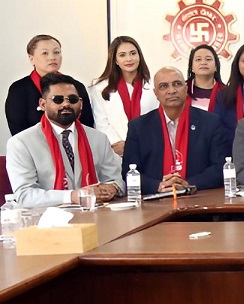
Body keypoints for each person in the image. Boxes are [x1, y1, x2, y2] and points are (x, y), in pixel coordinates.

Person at [6, 72, 123, 208]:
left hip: (94, 212)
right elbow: (25, 195)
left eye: (72, 99)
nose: (66, 104)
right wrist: (71, 196)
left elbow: (116, 180)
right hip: (44, 217)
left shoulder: (98, 139)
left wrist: (113, 188)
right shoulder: (21, 143)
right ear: (43, 104)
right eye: (58, 99)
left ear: (81, 104)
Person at [123, 67, 231, 192]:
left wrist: (187, 184)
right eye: (163, 86)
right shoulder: (138, 127)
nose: (172, 91)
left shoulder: (210, 122)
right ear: (156, 93)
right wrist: (159, 186)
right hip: (156, 198)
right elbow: (128, 172)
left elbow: (220, 167)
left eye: (177, 84)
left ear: (185, 89)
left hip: (198, 196)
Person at [6, 34, 94, 136]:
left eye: (56, 52)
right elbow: (18, 132)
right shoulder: (19, 89)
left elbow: (88, 124)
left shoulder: (75, 86)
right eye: (45, 53)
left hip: (74, 142)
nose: (52, 57)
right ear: (31, 58)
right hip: (33, 144)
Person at [88, 36, 158, 157]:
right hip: (117, 151)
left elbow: (158, 117)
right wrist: (121, 144)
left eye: (133, 53)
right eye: (122, 55)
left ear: (139, 56)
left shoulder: (153, 86)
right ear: (115, 60)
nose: (129, 59)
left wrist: (143, 143)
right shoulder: (100, 89)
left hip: (149, 148)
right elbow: (101, 122)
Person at [186, 44, 224, 112]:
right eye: (198, 59)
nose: (203, 62)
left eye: (208, 59)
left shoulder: (226, 93)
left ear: (216, 66)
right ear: (192, 67)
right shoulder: (182, 90)